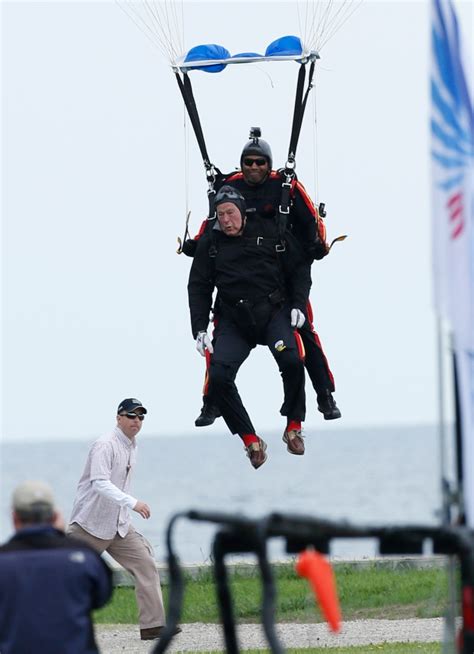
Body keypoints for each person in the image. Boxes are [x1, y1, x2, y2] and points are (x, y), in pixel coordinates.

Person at [185, 130, 341, 428]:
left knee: (305, 334)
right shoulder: (230, 186)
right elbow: (214, 222)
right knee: (216, 346)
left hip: (283, 274)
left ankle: (325, 394)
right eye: (248, 162)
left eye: (260, 162)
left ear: (268, 164)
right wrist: (196, 244)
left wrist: (316, 245)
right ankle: (211, 402)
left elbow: (310, 222)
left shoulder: (284, 186)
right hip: (241, 279)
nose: (254, 167)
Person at [188, 185, 310, 468]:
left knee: (292, 360)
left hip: (273, 313)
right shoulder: (211, 242)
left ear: (242, 211)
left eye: (231, 213)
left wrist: (298, 306)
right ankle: (250, 440)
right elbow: (198, 286)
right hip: (234, 320)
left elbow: (300, 268)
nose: (226, 220)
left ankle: (293, 426)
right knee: (218, 376)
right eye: (221, 215)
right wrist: (200, 329)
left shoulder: (270, 230)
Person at [67, 398, 180, 641]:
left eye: (140, 417)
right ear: (118, 418)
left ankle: (154, 626)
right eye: (131, 416)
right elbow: (99, 483)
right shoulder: (104, 445)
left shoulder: (132, 445)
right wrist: (133, 502)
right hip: (89, 525)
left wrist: (127, 509)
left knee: (146, 564)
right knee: (63, 574)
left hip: (118, 525)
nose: (136, 421)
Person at [0, 480, 112, 654]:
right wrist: (61, 536)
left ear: (14, 518)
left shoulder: (4, 558)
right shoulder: (85, 556)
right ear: (54, 516)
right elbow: (102, 598)